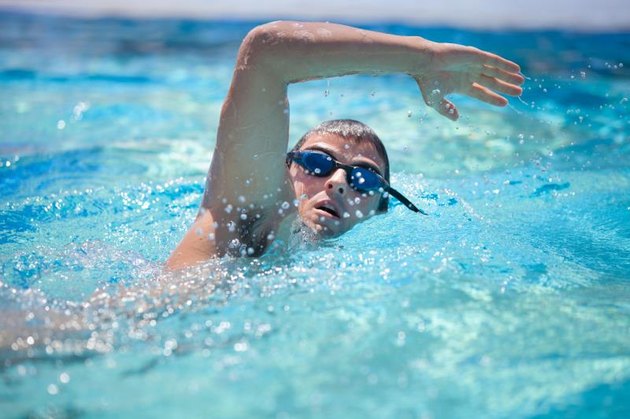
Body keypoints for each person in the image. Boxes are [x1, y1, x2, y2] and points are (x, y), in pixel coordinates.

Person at [166, 21, 524, 269]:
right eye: (318, 163)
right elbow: (265, 52)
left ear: (379, 209)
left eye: (365, 180)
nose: (337, 181)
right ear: (284, 170)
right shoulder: (249, 218)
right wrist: (422, 59)